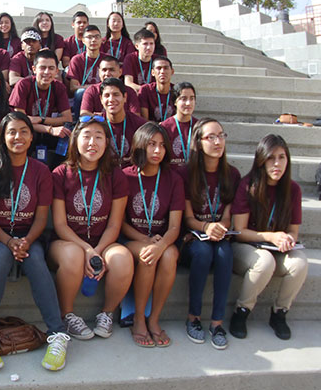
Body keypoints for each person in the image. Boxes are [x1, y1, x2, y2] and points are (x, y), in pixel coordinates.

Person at [0, 112, 70, 373]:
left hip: (30, 236)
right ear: (3, 137)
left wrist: (24, 241)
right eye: (12, 132)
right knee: (1, 256)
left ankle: (58, 334)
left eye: (24, 131)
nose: (18, 137)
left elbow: (40, 218)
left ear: (31, 136)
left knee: (35, 258)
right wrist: (8, 241)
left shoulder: (40, 171)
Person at [50, 116, 133, 341]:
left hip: (103, 241)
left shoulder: (115, 175)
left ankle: (106, 314)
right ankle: (67, 314)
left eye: (99, 137)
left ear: (107, 142)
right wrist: (87, 250)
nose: (92, 143)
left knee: (123, 258)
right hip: (67, 241)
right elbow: (59, 224)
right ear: (76, 140)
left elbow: (115, 224)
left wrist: (97, 250)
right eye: (86, 136)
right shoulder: (60, 173)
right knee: (73, 255)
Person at [229, 134, 308, 341]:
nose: (277, 164)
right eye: (271, 158)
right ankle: (241, 312)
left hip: (275, 249)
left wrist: (288, 239)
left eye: (282, 157)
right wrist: (271, 237)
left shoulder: (293, 190)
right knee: (264, 262)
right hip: (246, 247)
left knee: (299, 263)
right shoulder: (248, 185)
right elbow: (239, 231)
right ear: (261, 160)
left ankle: (279, 313)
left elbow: (293, 231)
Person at [121, 123, 184, 348]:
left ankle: (154, 318)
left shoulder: (173, 179)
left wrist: (160, 245)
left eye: (162, 146)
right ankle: (138, 319)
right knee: (149, 255)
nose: (157, 151)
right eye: (151, 145)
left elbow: (175, 227)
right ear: (140, 146)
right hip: (133, 239)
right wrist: (148, 242)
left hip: (164, 239)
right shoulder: (125, 176)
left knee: (167, 256)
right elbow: (119, 222)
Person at [182, 118, 240, 349]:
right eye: (211, 137)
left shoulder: (232, 174)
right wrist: (206, 228)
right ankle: (193, 317)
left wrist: (221, 228)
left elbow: (227, 215)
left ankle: (217, 322)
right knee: (203, 253)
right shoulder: (186, 174)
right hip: (193, 238)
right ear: (198, 142)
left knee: (225, 253)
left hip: (219, 235)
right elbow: (187, 218)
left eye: (221, 136)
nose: (218, 142)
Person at [99, 78, 148, 166]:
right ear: (101, 99)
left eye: (116, 94)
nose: (111, 99)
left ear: (125, 97)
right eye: (106, 95)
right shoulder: (97, 125)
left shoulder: (140, 125)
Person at [66, 24, 106, 116]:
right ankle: (78, 122)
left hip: (105, 90)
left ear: (101, 40)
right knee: (80, 93)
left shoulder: (107, 59)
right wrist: (92, 87)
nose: (93, 40)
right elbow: (73, 87)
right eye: (89, 37)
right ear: (83, 40)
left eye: (97, 37)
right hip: (86, 92)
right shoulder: (77, 59)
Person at [160, 82, 197, 166]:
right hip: (172, 175)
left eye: (192, 98)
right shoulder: (165, 127)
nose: (188, 103)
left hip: (194, 175)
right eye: (183, 99)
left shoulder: (200, 127)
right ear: (175, 102)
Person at [138, 56, 176, 121]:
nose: (162, 71)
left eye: (166, 68)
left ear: (172, 71)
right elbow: (144, 120)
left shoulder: (177, 90)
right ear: (152, 72)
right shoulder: (146, 90)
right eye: (159, 68)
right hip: (151, 129)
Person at [124, 28, 157, 94]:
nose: (149, 47)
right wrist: (145, 90)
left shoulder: (157, 59)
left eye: (151, 44)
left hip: (154, 95)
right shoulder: (130, 58)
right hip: (136, 94)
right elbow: (128, 83)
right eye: (145, 44)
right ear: (136, 46)